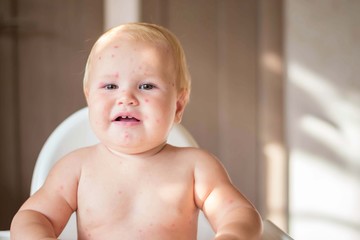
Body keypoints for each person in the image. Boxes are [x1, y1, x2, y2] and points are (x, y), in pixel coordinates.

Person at [11, 22, 262, 240]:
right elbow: (34, 216)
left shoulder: (196, 168)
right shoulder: (76, 168)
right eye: (110, 85)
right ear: (90, 99)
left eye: (146, 85)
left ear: (178, 106)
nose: (126, 98)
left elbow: (239, 213)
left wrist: (232, 234)